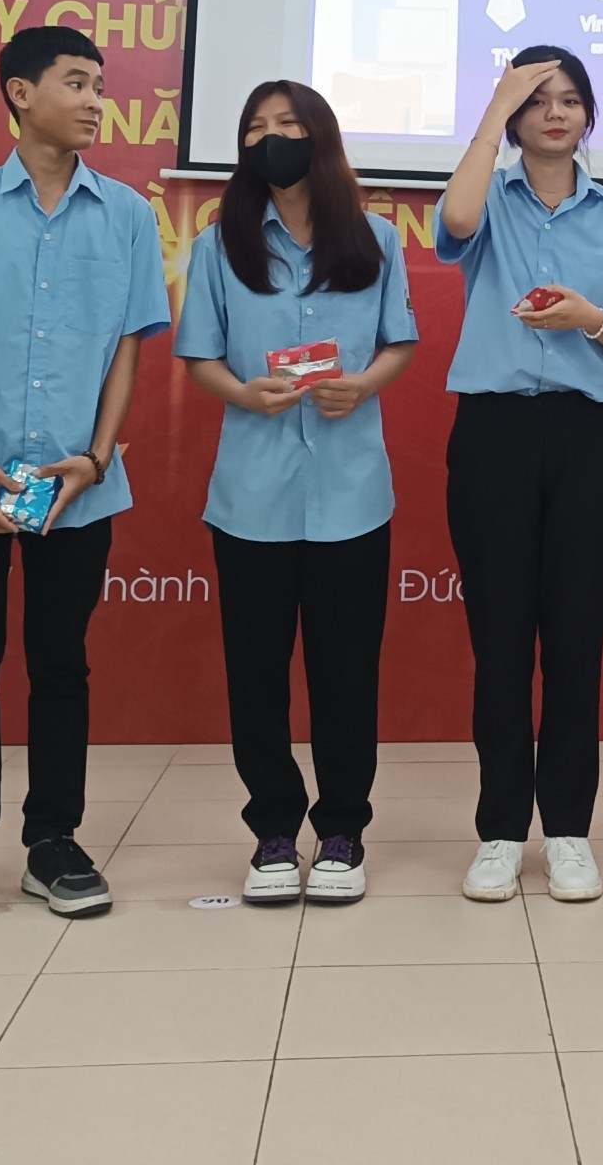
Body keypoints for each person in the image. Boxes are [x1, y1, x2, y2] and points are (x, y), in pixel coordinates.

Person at [0, 25, 170, 929]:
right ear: (20, 93)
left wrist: (96, 457)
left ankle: (54, 842)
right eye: (76, 82)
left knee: (61, 666)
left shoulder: (127, 215)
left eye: (100, 86)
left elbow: (128, 349)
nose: (95, 101)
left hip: (78, 487)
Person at [175, 80, 418, 907]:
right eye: (255, 128)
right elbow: (200, 357)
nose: (271, 138)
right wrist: (243, 393)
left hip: (352, 494)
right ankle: (274, 832)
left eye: (286, 123)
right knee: (257, 674)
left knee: (347, 672)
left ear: (320, 135)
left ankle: (343, 830)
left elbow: (398, 343)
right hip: (253, 497)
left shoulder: (376, 238)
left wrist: (365, 385)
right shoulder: (221, 244)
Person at [437, 46, 603, 903]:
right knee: (498, 641)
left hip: (588, 435)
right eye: (535, 101)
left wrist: (589, 318)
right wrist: (493, 110)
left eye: (568, 99)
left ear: (589, 114)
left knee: (575, 640)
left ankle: (568, 830)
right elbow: (455, 223)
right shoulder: (490, 196)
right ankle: (499, 831)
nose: (553, 113)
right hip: (492, 432)